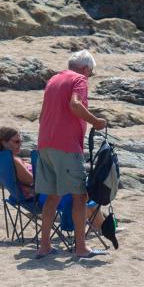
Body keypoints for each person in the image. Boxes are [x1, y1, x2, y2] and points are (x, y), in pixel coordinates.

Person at [34, 49, 108, 259]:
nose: (89, 77)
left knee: (53, 196)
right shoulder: (79, 80)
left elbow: (42, 116)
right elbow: (74, 104)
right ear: (85, 69)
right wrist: (96, 122)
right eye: (90, 73)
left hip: (45, 144)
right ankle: (81, 247)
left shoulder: (54, 80)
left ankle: (45, 245)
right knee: (79, 196)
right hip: (66, 146)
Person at [0, 126, 35, 200]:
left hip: (16, 195)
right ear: (4, 142)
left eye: (21, 141)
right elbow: (32, 181)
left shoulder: (1, 158)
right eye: (17, 142)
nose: (20, 144)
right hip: (34, 197)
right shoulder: (15, 161)